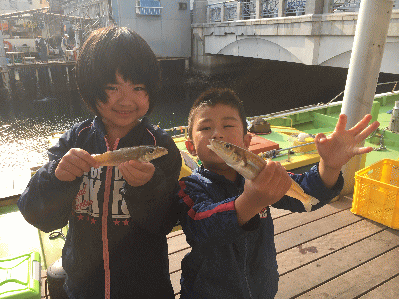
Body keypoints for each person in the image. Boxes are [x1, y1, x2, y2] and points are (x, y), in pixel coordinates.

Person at [18, 27, 182, 299]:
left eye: (138, 88)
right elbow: (38, 216)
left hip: (145, 288)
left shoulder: (160, 146)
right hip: (82, 288)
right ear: (92, 90)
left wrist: (146, 188)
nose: (126, 99)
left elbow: (164, 222)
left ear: (150, 92)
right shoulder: (75, 140)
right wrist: (57, 179)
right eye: (112, 87)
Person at [176, 87, 379, 299]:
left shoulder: (259, 174)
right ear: (190, 146)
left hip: (261, 289)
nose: (217, 133)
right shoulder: (189, 186)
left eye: (228, 125)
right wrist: (251, 201)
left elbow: (306, 195)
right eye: (206, 128)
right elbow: (201, 229)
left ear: (247, 142)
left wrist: (329, 167)